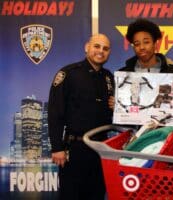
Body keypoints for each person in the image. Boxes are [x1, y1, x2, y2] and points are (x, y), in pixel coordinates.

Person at [48, 33, 114, 200]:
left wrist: (116, 107)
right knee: (71, 196)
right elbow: (55, 112)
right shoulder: (68, 73)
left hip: (101, 150)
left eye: (105, 48)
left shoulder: (109, 78)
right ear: (87, 47)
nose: (101, 51)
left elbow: (110, 115)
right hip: (75, 149)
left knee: (97, 195)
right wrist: (57, 148)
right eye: (96, 46)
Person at [109, 18, 173, 121]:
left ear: (155, 43)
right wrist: (114, 107)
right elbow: (119, 112)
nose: (142, 47)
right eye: (137, 44)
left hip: (164, 134)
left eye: (146, 42)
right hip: (134, 134)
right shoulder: (123, 75)